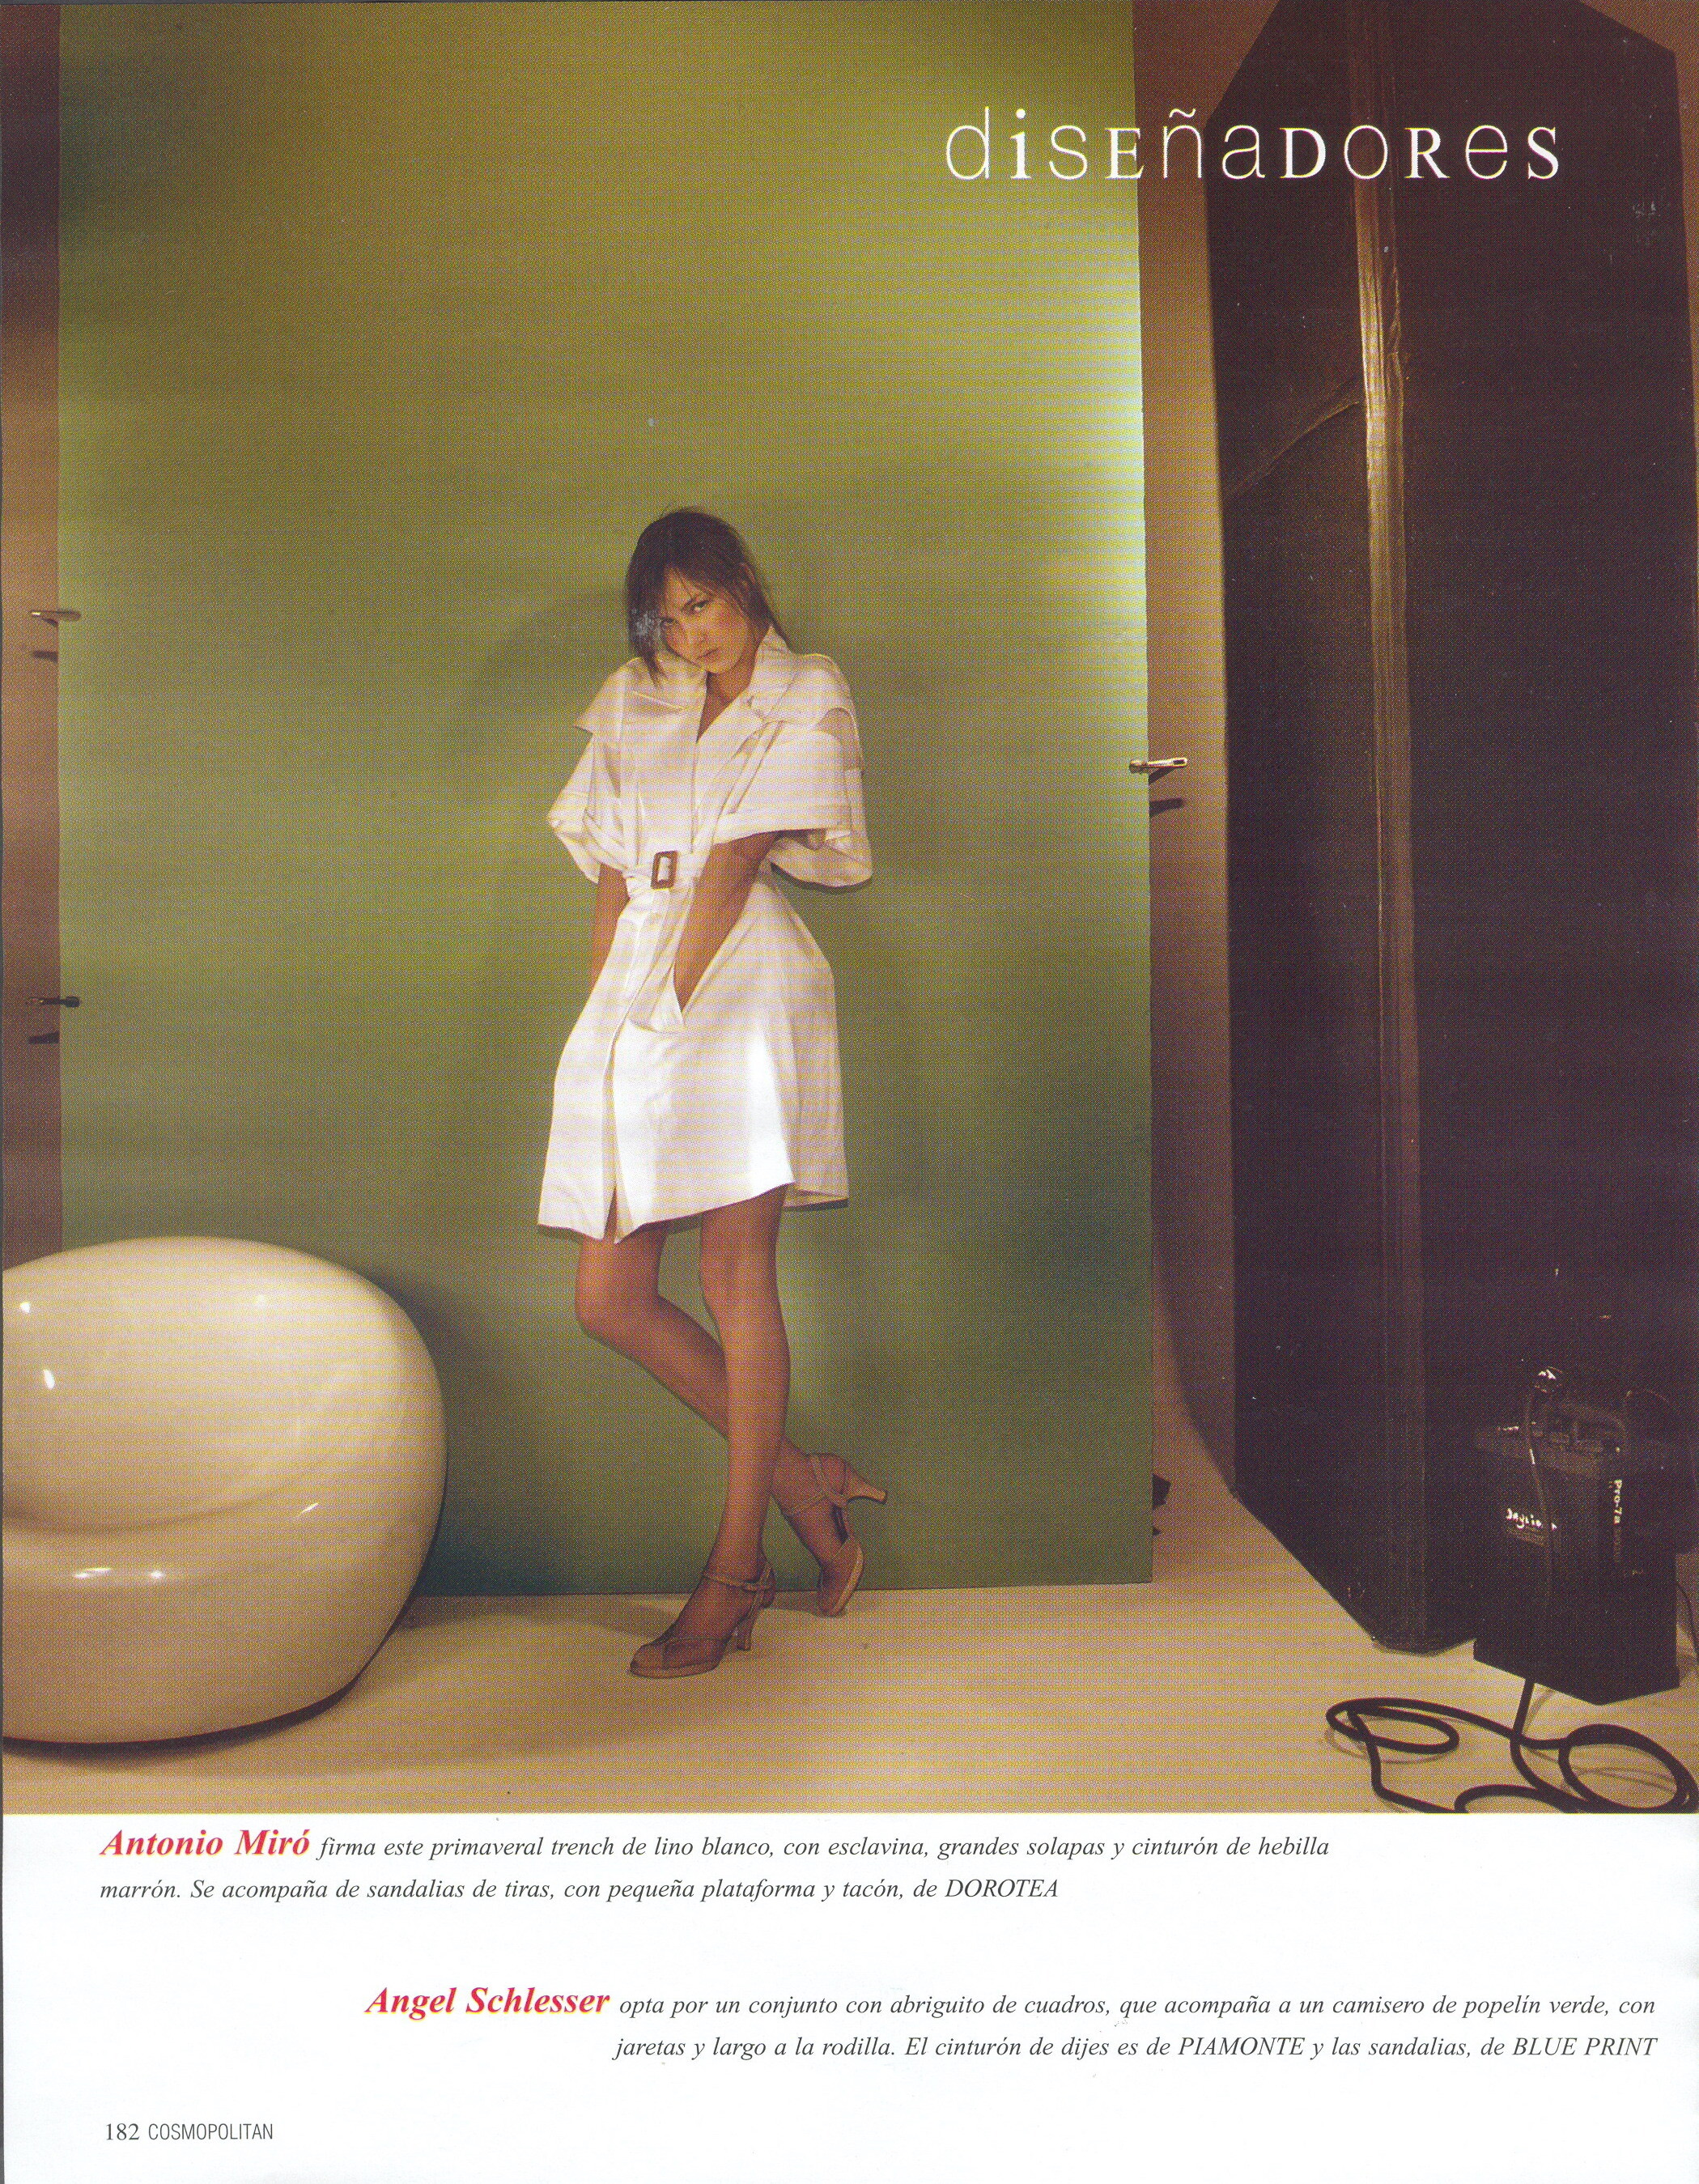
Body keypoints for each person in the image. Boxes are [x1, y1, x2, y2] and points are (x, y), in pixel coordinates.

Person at [539, 509, 881, 1679]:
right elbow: (615, 877)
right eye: (669, 617)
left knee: (735, 1275)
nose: (692, 633)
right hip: (645, 965)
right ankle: (803, 1484)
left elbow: (734, 865)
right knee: (609, 1294)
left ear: (742, 583)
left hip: (739, 980)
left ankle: (737, 1572)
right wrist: (609, 1020)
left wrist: (666, 1010)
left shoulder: (806, 688)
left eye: (704, 603)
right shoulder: (634, 698)